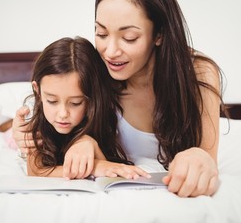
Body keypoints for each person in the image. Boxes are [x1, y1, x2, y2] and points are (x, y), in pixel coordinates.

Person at [13, 0, 225, 197]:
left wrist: (198, 156)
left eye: (129, 37)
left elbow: (207, 157)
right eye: (101, 33)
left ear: (159, 33)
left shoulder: (198, 73)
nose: (111, 52)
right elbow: (53, 116)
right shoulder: (96, 71)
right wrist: (83, 141)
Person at [24, 36, 150, 179]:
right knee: (9, 133)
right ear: (37, 91)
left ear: (91, 99)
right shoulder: (33, 116)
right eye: (52, 101)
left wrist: (89, 142)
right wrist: (96, 167)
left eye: (76, 103)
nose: (63, 114)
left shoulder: (105, 115)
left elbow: (108, 165)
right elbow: (35, 171)